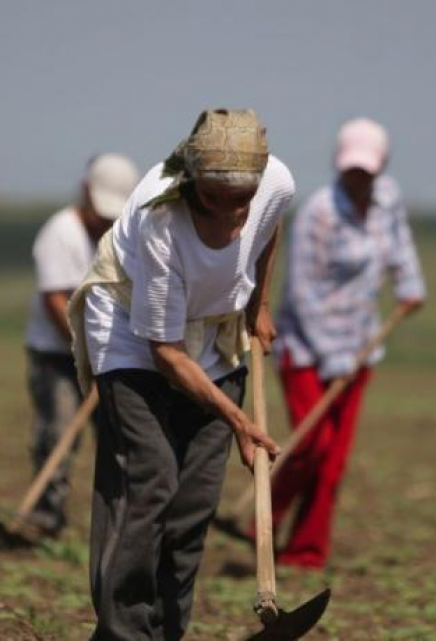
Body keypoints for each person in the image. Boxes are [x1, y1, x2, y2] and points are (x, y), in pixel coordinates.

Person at [69, 109, 289, 640]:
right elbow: (164, 351)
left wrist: (259, 300)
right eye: (220, 200)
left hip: (212, 332)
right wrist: (238, 420)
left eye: (245, 199)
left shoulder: (274, 183)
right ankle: (124, 630)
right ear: (193, 185)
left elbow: (269, 224)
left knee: (193, 501)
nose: (237, 215)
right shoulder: (159, 220)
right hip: (132, 331)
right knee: (151, 480)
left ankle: (167, 631)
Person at [270, 117, 426, 568]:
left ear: (381, 168)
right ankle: (264, 519)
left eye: (367, 171)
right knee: (312, 444)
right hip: (306, 348)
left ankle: (305, 551)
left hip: (360, 344)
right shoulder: (319, 211)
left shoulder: (388, 201)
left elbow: (400, 246)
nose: (358, 178)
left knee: (334, 460)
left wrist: (410, 285)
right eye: (351, 169)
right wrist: (330, 357)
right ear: (339, 165)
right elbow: (300, 293)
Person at [22, 153, 139, 537]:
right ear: (86, 192)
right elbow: (56, 300)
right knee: (56, 432)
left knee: (116, 437)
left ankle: (117, 522)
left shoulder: (123, 237)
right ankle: (46, 514)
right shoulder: (61, 232)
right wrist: (84, 348)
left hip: (106, 357)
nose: (105, 221)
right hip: (58, 356)